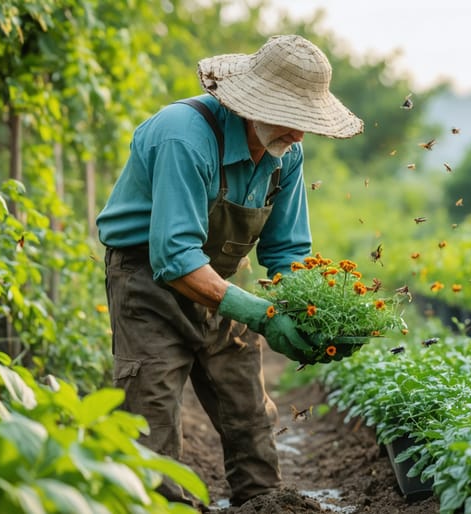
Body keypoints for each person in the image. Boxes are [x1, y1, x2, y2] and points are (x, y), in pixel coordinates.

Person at [96, 35, 363, 508]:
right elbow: (174, 258)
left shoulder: (286, 153)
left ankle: (262, 502)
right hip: (145, 282)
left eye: (306, 122)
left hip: (217, 279)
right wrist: (261, 314)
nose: (300, 134)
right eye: (290, 117)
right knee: (150, 416)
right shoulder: (185, 135)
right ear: (250, 103)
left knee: (249, 413)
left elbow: (286, 251)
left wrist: (313, 314)